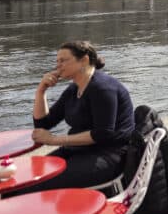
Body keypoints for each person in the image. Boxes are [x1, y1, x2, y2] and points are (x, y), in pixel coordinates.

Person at [28, 41, 135, 192]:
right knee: (30, 176)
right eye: (57, 61)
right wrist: (41, 91)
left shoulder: (102, 88)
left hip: (107, 156)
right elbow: (43, 124)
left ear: (84, 60)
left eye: (63, 60)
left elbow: (102, 134)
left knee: (37, 185)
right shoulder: (74, 89)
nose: (58, 66)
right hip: (79, 150)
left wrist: (53, 140)